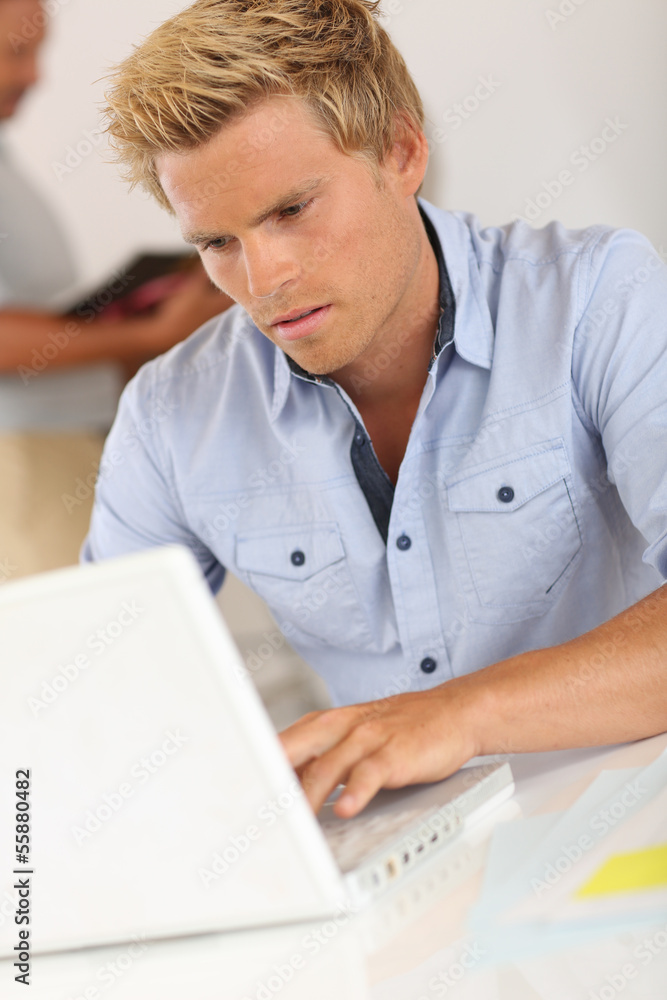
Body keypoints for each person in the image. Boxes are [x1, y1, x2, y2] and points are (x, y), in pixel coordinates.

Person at [83, 0, 667, 819]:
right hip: (393, 860)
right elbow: (94, 691)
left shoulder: (599, 296)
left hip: (625, 826)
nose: (263, 279)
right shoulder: (169, 415)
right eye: (217, 243)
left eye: (291, 210)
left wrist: (459, 716)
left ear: (400, 151)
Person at [0, 0, 229, 575]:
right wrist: (147, 336)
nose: (34, 75)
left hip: (63, 444)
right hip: (22, 459)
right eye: (15, 52)